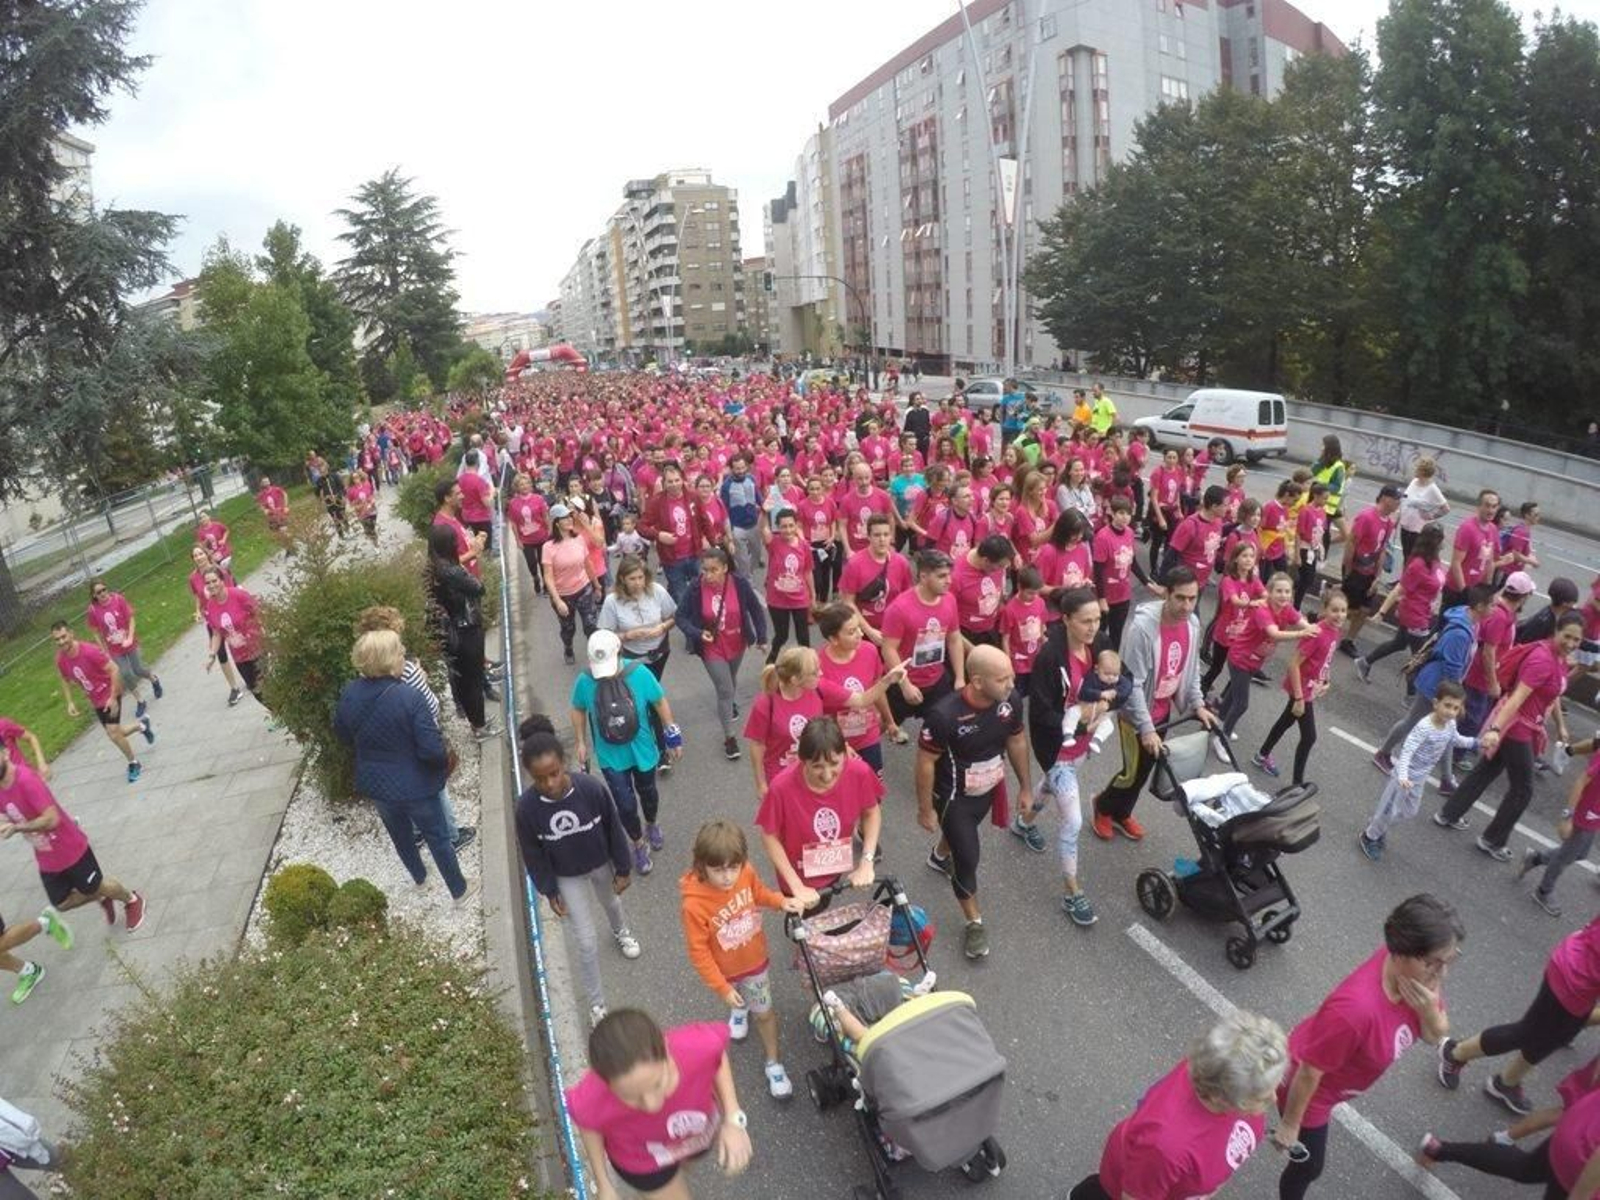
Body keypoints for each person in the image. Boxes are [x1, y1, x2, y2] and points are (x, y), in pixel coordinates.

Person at [1274, 894, 1460, 1199]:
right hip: (1311, 1090)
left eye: (1448, 961)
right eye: (1433, 963)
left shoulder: (1421, 980)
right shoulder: (1354, 1012)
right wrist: (1290, 1124)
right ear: (1399, 952)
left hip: (1334, 1075)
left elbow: (1435, 1034)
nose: (1442, 974)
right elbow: (1309, 1073)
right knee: (1308, 1167)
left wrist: (1428, 1012)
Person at [1069, 1010, 1288, 1200]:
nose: (1273, 1100)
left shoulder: (1218, 1067)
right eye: (1260, 1094)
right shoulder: (1164, 1148)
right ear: (1222, 1096)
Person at [334, 631, 477, 905]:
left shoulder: (349, 693)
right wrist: (439, 769)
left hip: (377, 784)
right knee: (438, 837)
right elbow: (431, 750)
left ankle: (420, 877)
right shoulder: (408, 696)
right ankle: (459, 890)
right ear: (387, 660)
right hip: (416, 785)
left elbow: (342, 734)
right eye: (400, 652)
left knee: (400, 836)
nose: (404, 656)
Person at [1433, 612, 1583, 860]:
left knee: (1486, 770)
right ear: (1555, 632)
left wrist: (1561, 725)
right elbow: (1517, 699)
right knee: (1523, 789)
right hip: (1517, 728)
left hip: (1523, 726)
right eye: (1567, 636)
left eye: (1576, 639)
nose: (1571, 643)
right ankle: (1492, 840)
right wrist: (1495, 729)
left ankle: (1448, 814)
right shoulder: (1542, 659)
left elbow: (1554, 692)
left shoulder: (1559, 658)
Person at [517, 730, 638, 1027]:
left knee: (612, 904)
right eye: (540, 779)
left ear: (565, 763)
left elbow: (613, 828)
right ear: (531, 776)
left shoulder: (590, 789)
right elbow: (532, 853)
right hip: (566, 875)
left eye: (555, 774)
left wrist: (623, 867)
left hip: (600, 864)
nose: (549, 784)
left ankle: (621, 930)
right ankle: (597, 1004)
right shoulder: (527, 809)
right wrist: (548, 889)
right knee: (585, 941)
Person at [566, 1009, 753, 1200]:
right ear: (605, 1082)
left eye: (657, 1084)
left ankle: (678, 1168)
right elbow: (587, 1121)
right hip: (642, 1161)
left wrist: (733, 1119)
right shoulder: (594, 1092)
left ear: (666, 1048)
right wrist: (604, 1184)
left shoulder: (694, 1046)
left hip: (695, 1136)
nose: (651, 1105)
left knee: (684, 1164)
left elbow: (717, 1054)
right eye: (632, 1096)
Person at [917, 645, 1031, 959]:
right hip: (954, 798)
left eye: (1011, 676)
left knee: (957, 840)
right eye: (1003, 679)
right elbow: (925, 763)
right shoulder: (944, 715)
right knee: (968, 857)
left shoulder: (1010, 703)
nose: (1011, 685)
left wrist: (1025, 787)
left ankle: (940, 855)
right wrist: (925, 808)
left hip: (988, 789)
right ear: (978, 682)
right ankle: (974, 922)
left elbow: (1017, 740)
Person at [1090, 567, 1217, 842]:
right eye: (1180, 598)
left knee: (1147, 767)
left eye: (1192, 599)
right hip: (1136, 714)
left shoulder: (1192, 625)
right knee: (1132, 770)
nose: (1187, 606)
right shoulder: (1143, 630)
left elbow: (1191, 669)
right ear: (1166, 595)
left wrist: (1198, 703)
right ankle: (1102, 805)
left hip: (1163, 709)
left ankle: (1122, 812)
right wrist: (1145, 727)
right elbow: (1132, 683)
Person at [680, 820, 805, 1099]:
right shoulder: (693, 904)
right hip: (724, 971)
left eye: (733, 868)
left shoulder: (745, 872)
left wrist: (780, 901)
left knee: (764, 1013)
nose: (727, 877)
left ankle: (773, 1062)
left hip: (754, 962)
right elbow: (699, 952)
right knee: (736, 995)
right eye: (718, 869)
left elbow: (757, 892)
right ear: (701, 865)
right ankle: (739, 1008)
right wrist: (722, 989)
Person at [1438, 914, 1600, 1120]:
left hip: (1579, 975)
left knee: (1552, 1037)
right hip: (1575, 980)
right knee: (1527, 1032)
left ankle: (1507, 1083)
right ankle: (1454, 1053)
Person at [1018, 594, 1115, 926]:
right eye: (1085, 621)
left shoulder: (1099, 643)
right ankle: (1072, 892)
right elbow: (1041, 712)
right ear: (1066, 619)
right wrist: (1085, 720)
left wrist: (1109, 704)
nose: (1093, 627)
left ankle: (1024, 823)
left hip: (1083, 744)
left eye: (1097, 620)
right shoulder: (1049, 657)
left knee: (1053, 788)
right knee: (1072, 821)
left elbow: (1123, 678)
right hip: (1058, 750)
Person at [352, 606, 473, 852]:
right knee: (436, 788)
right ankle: (451, 836)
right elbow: (427, 704)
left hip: (394, 745)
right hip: (421, 737)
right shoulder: (404, 669)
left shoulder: (367, 675)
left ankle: (416, 833)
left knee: (406, 789)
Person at [571, 630, 684, 876]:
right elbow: (578, 709)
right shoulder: (585, 681)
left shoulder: (639, 673)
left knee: (649, 794)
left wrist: (672, 734)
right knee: (625, 804)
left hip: (643, 750)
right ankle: (637, 843)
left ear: (619, 652)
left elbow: (659, 701)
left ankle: (652, 824)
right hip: (611, 756)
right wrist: (581, 742)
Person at [0, 751, 146, 933]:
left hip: (70, 848)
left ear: (5, 753)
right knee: (61, 902)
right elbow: (5, 813)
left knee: (98, 885)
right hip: (46, 856)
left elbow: (52, 820)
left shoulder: (26, 780)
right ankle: (102, 896)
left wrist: (17, 828)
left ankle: (131, 899)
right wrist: (5, 824)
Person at [756, 716, 881, 906]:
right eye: (817, 766)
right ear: (802, 760)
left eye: (834, 763)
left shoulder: (860, 772)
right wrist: (796, 886)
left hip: (833, 864)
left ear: (845, 753)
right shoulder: (781, 787)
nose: (827, 775)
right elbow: (768, 835)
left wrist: (867, 860)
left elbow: (871, 812)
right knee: (805, 921)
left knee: (825, 907)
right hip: (799, 876)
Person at [744, 646, 903, 794]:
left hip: (817, 771)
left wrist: (887, 680)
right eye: (814, 672)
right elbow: (757, 745)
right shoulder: (766, 704)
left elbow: (861, 700)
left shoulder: (819, 688)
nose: (820, 673)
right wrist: (761, 784)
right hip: (782, 777)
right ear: (795, 680)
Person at [1359, 680, 1490, 860]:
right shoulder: (1424, 727)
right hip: (1403, 777)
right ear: (1436, 703)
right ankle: (1369, 836)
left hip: (1419, 778)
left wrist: (1478, 743)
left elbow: (1456, 740)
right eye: (1447, 706)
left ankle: (1378, 824)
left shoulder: (1450, 724)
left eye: (1456, 708)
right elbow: (1407, 751)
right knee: (1388, 811)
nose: (1451, 712)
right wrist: (1403, 776)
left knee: (1409, 812)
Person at [676, 547, 769, 762]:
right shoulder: (695, 588)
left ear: (725, 568)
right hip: (712, 646)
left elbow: (756, 610)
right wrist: (698, 633)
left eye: (713, 570)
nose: (708, 575)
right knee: (725, 688)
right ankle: (729, 738)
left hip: (737, 641)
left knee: (731, 680)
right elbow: (681, 617)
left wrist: (762, 637)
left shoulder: (739, 584)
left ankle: (728, 704)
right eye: (705, 569)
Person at [1253, 588, 1347, 787]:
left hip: (1310, 688)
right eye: (1335, 610)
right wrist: (1298, 698)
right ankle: (1296, 785)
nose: (1339, 615)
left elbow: (1325, 660)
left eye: (1343, 611)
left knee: (1286, 721)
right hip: (1301, 690)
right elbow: (1294, 664)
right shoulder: (1317, 633)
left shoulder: (1335, 631)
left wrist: (1325, 679)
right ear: (1324, 610)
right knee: (1309, 737)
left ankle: (1262, 755)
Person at [1216, 572, 1313, 746]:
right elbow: (1274, 634)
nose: (1283, 595)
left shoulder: (1287, 609)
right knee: (1241, 703)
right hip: (1240, 659)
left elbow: (1302, 622)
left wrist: (1315, 630)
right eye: (1279, 591)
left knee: (1232, 695)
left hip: (1255, 660)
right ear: (1270, 592)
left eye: (1287, 591)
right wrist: (1302, 634)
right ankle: (1221, 738)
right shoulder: (1262, 611)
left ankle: (1217, 723)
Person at [600, 556, 678, 770]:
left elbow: (674, 616)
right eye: (632, 578)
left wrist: (662, 628)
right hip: (632, 660)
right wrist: (628, 635)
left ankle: (658, 743)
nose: (637, 583)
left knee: (652, 699)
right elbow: (604, 634)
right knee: (646, 702)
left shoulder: (657, 591)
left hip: (659, 653)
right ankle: (660, 751)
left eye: (641, 577)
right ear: (622, 579)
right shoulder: (612, 601)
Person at [51, 621, 151, 783]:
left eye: (64, 636)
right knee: (118, 732)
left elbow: (114, 670)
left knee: (113, 733)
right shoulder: (61, 659)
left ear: (71, 633)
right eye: (57, 639)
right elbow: (64, 678)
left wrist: (113, 697)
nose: (62, 642)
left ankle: (134, 763)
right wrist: (70, 702)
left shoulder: (90, 651)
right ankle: (142, 725)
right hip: (95, 699)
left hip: (109, 691)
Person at [425, 526, 497, 740]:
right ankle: (479, 727)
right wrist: (474, 555)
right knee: (473, 679)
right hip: (466, 628)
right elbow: (478, 588)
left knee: (466, 679)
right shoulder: (452, 571)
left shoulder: (435, 568)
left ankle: (477, 720)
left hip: (454, 630)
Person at [881, 549, 965, 729]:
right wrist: (905, 685)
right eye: (942, 576)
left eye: (949, 575)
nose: (949, 581)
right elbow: (888, 649)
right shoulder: (899, 608)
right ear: (924, 576)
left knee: (944, 730)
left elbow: (954, 638)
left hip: (936, 681)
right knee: (881, 726)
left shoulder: (949, 600)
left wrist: (959, 677)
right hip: (902, 683)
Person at [1356, 523, 1447, 684]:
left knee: (1399, 643)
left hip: (1422, 611)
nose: (1443, 541)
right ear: (1433, 542)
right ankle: (1411, 695)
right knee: (1419, 656)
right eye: (1440, 538)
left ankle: (1365, 662)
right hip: (1415, 615)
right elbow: (1399, 589)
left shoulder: (1434, 560)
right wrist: (1381, 613)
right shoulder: (1418, 565)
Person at [1519, 738, 1600, 916]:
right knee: (1566, 856)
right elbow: (1581, 781)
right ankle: (1543, 891)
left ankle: (1536, 858)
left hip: (1595, 815)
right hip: (1583, 813)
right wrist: (1568, 816)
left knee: (1579, 854)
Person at [815, 604, 899, 776]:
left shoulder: (869, 651)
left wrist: (889, 721)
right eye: (852, 632)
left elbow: (876, 689)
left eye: (859, 628)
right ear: (833, 639)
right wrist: (838, 745)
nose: (861, 634)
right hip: (836, 744)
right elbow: (817, 714)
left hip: (868, 737)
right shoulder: (817, 666)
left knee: (873, 793)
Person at [1338, 485, 1402, 654]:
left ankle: (1349, 640)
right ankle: (1321, 621)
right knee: (1348, 608)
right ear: (1384, 498)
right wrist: (1348, 569)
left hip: (1370, 571)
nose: (1398, 503)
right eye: (1396, 499)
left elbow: (1381, 549)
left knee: (1365, 609)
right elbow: (1351, 542)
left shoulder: (1389, 523)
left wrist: (1377, 576)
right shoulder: (1366, 517)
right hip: (1356, 568)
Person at [85, 579, 162, 716]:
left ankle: (153, 679)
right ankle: (140, 700)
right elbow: (95, 631)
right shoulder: (93, 610)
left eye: (104, 589)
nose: (103, 593)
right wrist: (102, 649)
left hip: (129, 642)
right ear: (94, 595)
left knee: (139, 670)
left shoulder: (118, 599)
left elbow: (131, 618)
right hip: (114, 649)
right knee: (125, 674)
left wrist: (130, 638)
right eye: (99, 592)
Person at [837, 513, 912, 649]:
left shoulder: (901, 563)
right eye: (877, 535)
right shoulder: (855, 564)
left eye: (886, 534)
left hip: (895, 631)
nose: (882, 539)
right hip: (865, 632)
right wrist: (869, 632)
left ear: (891, 536)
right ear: (869, 536)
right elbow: (848, 602)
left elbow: (907, 599)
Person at [542, 503, 603, 666]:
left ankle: (597, 656)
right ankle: (568, 647)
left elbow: (588, 563)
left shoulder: (579, 539)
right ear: (556, 522)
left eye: (570, 516)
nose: (569, 520)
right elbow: (548, 577)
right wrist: (557, 600)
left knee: (591, 625)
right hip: (563, 595)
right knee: (568, 629)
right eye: (565, 518)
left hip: (584, 589)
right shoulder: (548, 547)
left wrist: (596, 585)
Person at [640, 463, 702, 607]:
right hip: (672, 560)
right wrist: (659, 535)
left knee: (700, 593)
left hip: (694, 555)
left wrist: (712, 542)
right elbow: (641, 526)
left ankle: (701, 625)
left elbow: (703, 520)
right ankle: (688, 624)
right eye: (670, 481)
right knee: (682, 598)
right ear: (664, 483)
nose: (674, 484)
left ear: (682, 480)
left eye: (677, 480)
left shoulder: (692, 496)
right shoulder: (657, 502)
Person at [760, 508, 815, 662]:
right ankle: (771, 661)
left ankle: (807, 665)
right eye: (784, 526)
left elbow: (808, 572)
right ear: (777, 527)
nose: (788, 530)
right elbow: (763, 529)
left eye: (791, 525)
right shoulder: (773, 543)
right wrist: (764, 513)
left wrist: (813, 595)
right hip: (777, 599)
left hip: (799, 599)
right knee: (781, 635)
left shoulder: (804, 546)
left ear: (796, 525)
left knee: (803, 636)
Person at [1443, 489, 1508, 612]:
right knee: (1446, 625)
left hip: (1475, 590)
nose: (1491, 510)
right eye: (1487, 505)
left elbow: (1490, 562)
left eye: (1494, 506)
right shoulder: (1467, 528)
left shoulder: (1493, 529)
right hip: (1457, 591)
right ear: (1479, 506)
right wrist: (1464, 592)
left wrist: (1487, 591)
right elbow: (1456, 563)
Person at [951, 534, 1015, 649]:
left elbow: (999, 592)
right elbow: (948, 616)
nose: (1001, 570)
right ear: (986, 560)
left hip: (990, 631)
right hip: (966, 635)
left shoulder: (998, 566)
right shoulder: (957, 575)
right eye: (999, 566)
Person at [506, 472, 551, 595]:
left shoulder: (539, 499)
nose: (525, 486)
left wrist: (550, 532)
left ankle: (547, 585)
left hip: (542, 536)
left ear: (531, 485)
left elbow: (546, 516)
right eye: (521, 484)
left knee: (544, 563)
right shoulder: (513, 503)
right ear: (517, 487)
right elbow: (514, 523)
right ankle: (535, 578)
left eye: (527, 483)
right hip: (526, 540)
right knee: (532, 563)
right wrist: (517, 540)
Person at [1398, 457, 1449, 560]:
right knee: (1406, 556)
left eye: (1417, 468)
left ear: (1423, 471)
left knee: (1413, 558)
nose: (1414, 470)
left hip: (1418, 530)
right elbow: (1406, 500)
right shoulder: (1414, 482)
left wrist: (1432, 516)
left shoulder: (1432, 489)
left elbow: (1445, 508)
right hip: (1405, 526)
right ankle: (1405, 576)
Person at [456, 449, 496, 550]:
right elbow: (487, 503)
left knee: (473, 547)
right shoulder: (479, 481)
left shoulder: (460, 480)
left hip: (467, 518)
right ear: (478, 462)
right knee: (485, 548)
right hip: (481, 518)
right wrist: (492, 493)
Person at [256, 474, 292, 555]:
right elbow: (260, 504)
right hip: (272, 516)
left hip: (280, 513)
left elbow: (285, 494)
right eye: (264, 482)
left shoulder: (276, 489)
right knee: (278, 535)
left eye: (267, 481)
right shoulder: (261, 495)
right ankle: (287, 548)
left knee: (284, 531)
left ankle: (290, 547)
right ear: (261, 484)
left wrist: (286, 506)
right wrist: (264, 510)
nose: (267, 483)